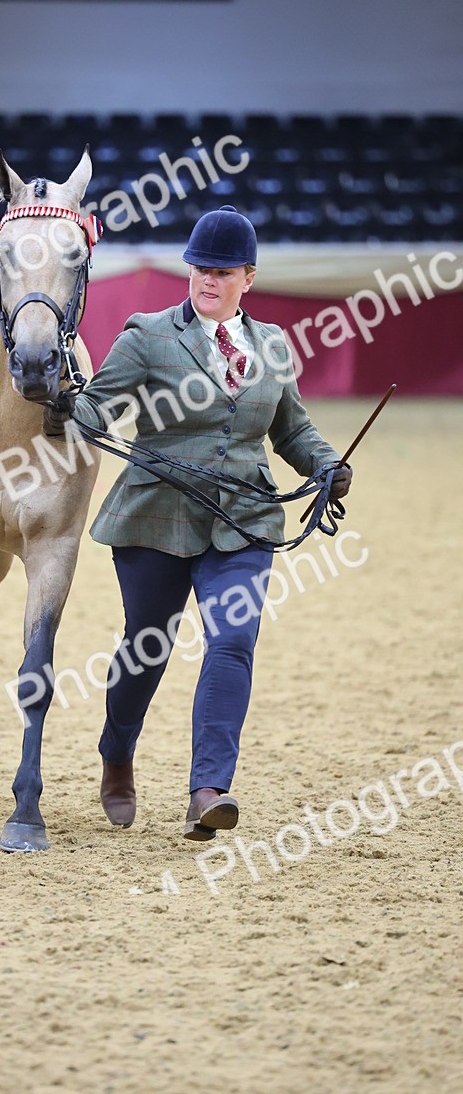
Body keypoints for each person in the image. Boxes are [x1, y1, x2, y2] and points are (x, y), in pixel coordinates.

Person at [44, 205, 352, 840]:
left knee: (233, 641)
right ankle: (117, 750)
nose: (207, 280)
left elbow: (290, 427)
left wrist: (326, 465)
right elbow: (101, 407)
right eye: (199, 269)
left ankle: (207, 790)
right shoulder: (147, 336)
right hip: (156, 517)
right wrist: (71, 412)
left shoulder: (271, 345)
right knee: (146, 650)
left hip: (245, 518)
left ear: (248, 277)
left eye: (221, 271)